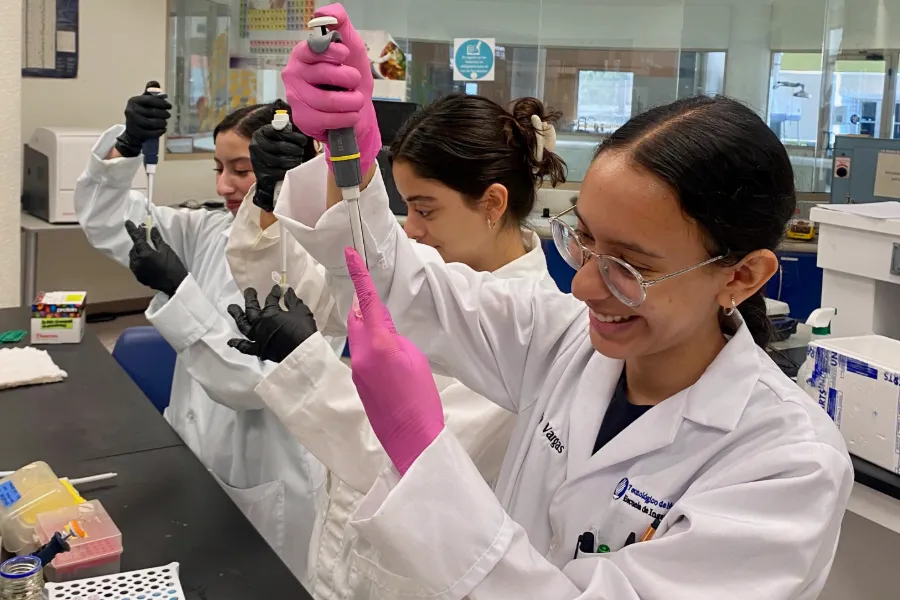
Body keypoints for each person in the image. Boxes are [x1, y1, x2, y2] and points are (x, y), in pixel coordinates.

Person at [272, 7, 854, 598]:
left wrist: (421, 451)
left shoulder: (787, 466)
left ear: (742, 276)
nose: (583, 288)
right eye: (585, 241)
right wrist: (352, 160)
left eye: (630, 267)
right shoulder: (562, 340)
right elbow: (401, 282)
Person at [224, 90, 566, 599]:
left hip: (417, 574)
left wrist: (304, 363)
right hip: (345, 546)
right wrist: (273, 199)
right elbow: (311, 292)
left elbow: (402, 455)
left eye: (425, 209)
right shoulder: (423, 272)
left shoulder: (531, 331)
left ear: (492, 203)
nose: (412, 228)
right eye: (407, 207)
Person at [73, 93, 332, 582]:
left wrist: (177, 287)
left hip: (265, 471)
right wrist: (127, 146)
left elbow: (253, 387)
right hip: (193, 453)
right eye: (219, 168)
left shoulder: (315, 258)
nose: (224, 185)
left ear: (287, 166)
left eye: (240, 169)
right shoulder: (211, 230)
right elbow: (107, 222)